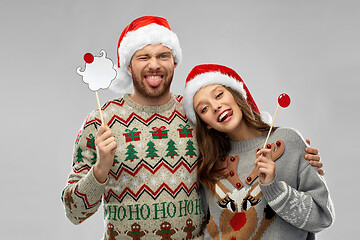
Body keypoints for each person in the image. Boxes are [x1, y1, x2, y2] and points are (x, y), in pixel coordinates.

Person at [61, 16, 324, 240]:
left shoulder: (196, 115)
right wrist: (99, 171)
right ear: (129, 65)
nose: (154, 64)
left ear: (174, 62)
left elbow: (244, 147)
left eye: (163, 55)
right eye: (143, 57)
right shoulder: (101, 122)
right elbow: (74, 213)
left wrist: (295, 157)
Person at [182, 64, 335, 239]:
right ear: (206, 123)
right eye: (204, 109)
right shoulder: (210, 166)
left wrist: (274, 188)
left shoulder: (287, 141)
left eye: (219, 95)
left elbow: (322, 217)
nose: (215, 106)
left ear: (236, 95)